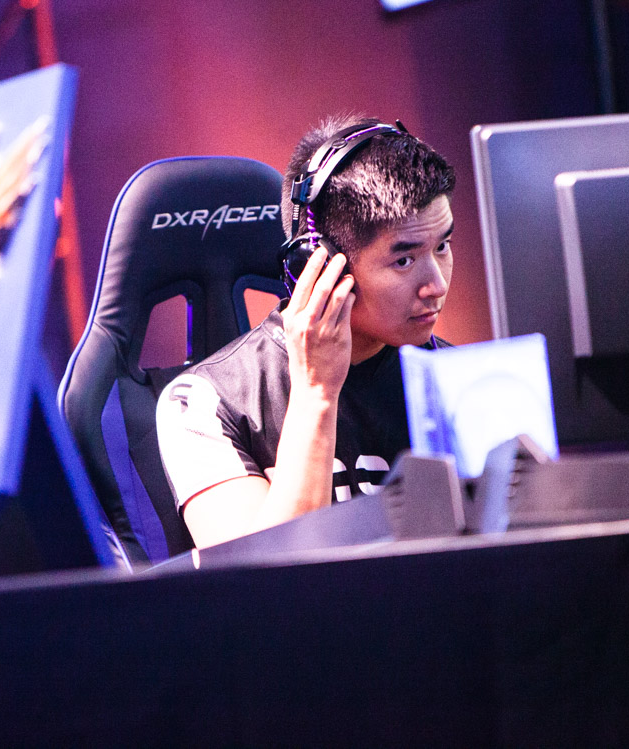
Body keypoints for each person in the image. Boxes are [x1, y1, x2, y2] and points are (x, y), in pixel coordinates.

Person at [156, 115, 456, 549]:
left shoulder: (455, 378)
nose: (437, 285)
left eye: (442, 246)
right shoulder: (203, 403)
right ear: (319, 264)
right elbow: (263, 577)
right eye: (404, 260)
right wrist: (317, 394)